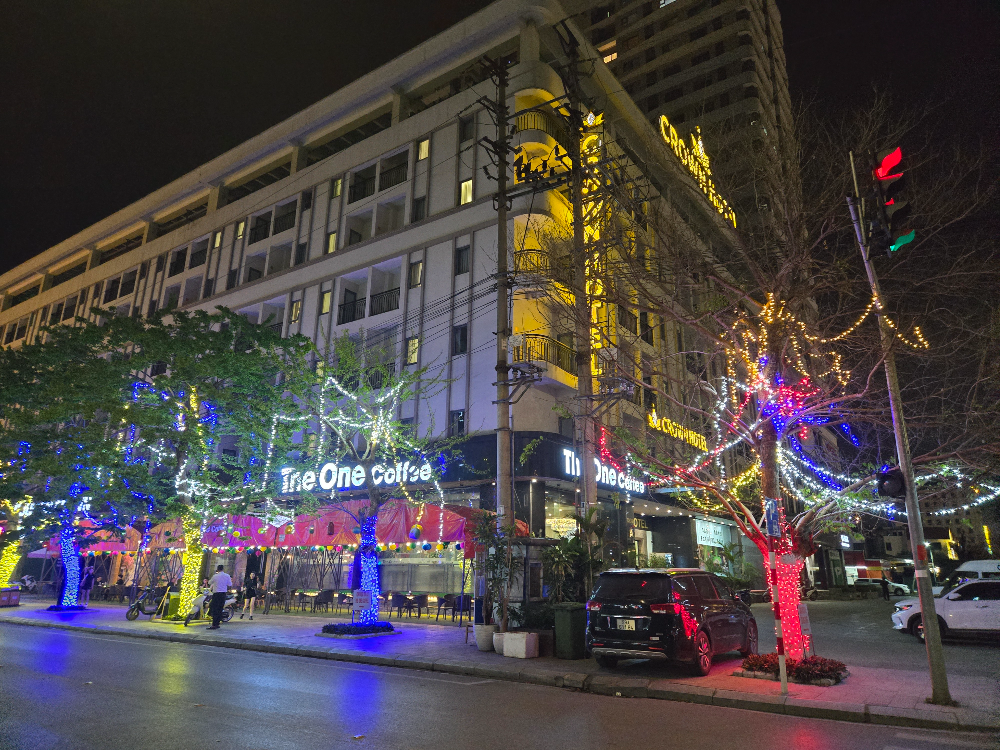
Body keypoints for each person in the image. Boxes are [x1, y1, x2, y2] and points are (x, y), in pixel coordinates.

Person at [207, 565, 232, 630]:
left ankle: (214, 624)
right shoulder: (227, 576)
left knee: (215, 609)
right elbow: (230, 584)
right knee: (220, 608)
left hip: (216, 594)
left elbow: (209, 582)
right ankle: (217, 623)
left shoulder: (215, 576)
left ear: (217, 569)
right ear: (223, 569)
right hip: (223, 594)